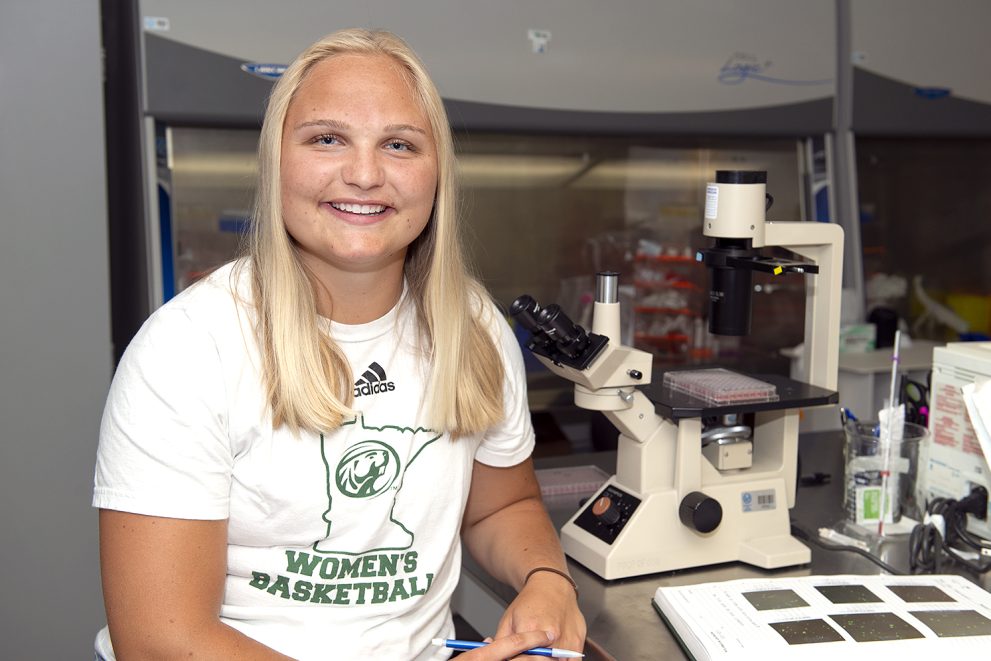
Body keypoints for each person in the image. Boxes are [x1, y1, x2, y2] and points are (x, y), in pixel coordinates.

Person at [92, 28, 586, 660]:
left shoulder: (471, 326)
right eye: (327, 139)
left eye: (400, 145)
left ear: (438, 174)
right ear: (278, 161)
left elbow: (501, 506)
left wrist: (546, 579)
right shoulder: (189, 349)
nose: (363, 174)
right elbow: (163, 641)